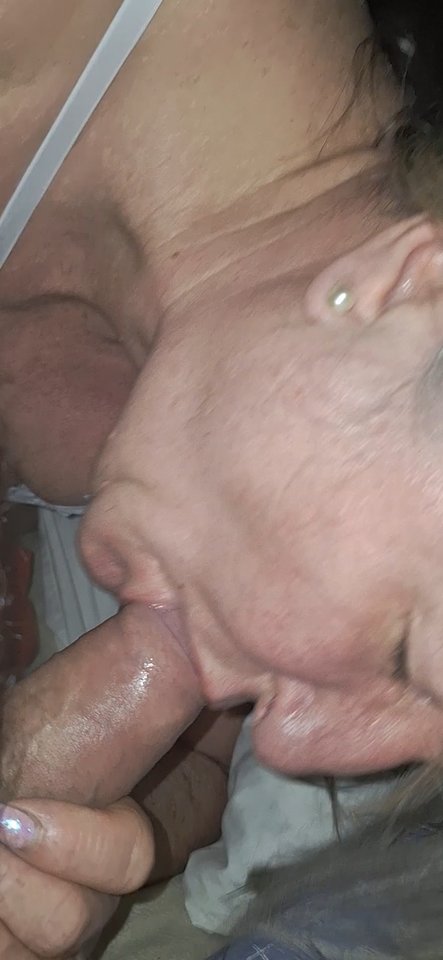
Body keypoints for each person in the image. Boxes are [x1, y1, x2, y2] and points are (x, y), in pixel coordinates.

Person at [2, 0, 443, 955]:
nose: (287, 748)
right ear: (407, 287)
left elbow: (198, 774)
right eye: (402, 656)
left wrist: (54, 816)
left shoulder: (193, 400)